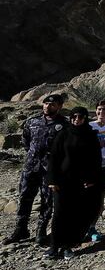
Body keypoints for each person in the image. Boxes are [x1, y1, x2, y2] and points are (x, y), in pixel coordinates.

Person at [4, 94, 67, 246]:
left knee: (47, 200)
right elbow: (26, 142)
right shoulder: (32, 121)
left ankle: (41, 231)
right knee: (25, 197)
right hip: (31, 167)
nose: (47, 106)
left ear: (59, 106)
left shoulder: (64, 125)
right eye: (45, 104)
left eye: (52, 105)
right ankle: (21, 229)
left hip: (50, 170)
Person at [45, 107, 102, 260]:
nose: (77, 119)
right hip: (62, 182)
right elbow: (54, 158)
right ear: (70, 118)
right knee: (58, 214)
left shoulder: (90, 136)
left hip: (81, 183)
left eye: (81, 117)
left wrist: (91, 179)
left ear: (85, 118)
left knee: (75, 214)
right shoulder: (63, 134)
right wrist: (52, 180)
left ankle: (68, 246)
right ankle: (54, 246)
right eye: (74, 116)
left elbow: (95, 160)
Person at [87, 100, 105, 242]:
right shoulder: (89, 126)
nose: (101, 112)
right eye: (99, 109)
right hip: (90, 167)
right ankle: (82, 227)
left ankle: (92, 227)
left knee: (99, 198)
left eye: (104, 109)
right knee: (86, 197)